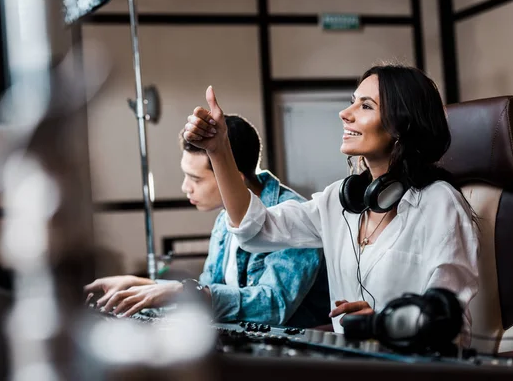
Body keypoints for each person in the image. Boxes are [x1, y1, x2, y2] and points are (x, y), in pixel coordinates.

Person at [182, 64, 480, 344]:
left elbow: (452, 324)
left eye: (365, 106)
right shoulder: (340, 200)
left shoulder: (440, 202)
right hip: (350, 365)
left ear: (402, 125)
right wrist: (219, 149)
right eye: (352, 101)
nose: (344, 113)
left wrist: (385, 325)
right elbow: (255, 231)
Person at [85, 114, 330, 329]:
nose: (185, 187)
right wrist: (137, 285)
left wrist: (181, 292)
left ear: (233, 178)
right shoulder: (224, 218)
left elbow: (273, 305)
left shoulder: (293, 217)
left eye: (196, 179)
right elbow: (207, 289)